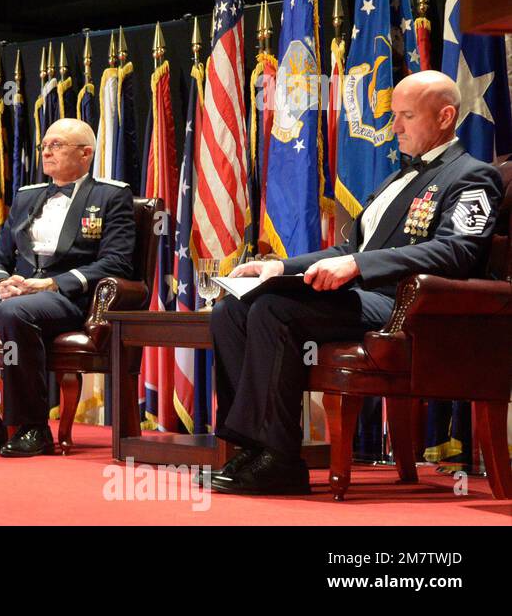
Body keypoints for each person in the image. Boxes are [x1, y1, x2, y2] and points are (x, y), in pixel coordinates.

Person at [210, 70, 504, 494]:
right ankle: (254, 447)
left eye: (406, 116)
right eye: (395, 115)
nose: (395, 127)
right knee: (232, 309)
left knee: (276, 310)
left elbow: (456, 252)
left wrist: (359, 267)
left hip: (409, 307)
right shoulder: (398, 177)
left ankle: (280, 459)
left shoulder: (472, 176)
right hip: (366, 297)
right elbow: (348, 248)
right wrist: (280, 267)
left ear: (444, 117)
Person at [0, 118, 136, 456]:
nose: (46, 151)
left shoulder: (110, 195)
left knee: (14, 312)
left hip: (66, 299)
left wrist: (51, 283)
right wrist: (1, 282)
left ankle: (33, 427)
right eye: (45, 145)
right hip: (14, 295)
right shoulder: (26, 197)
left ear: (85, 154)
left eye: (57, 145)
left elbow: (116, 263)